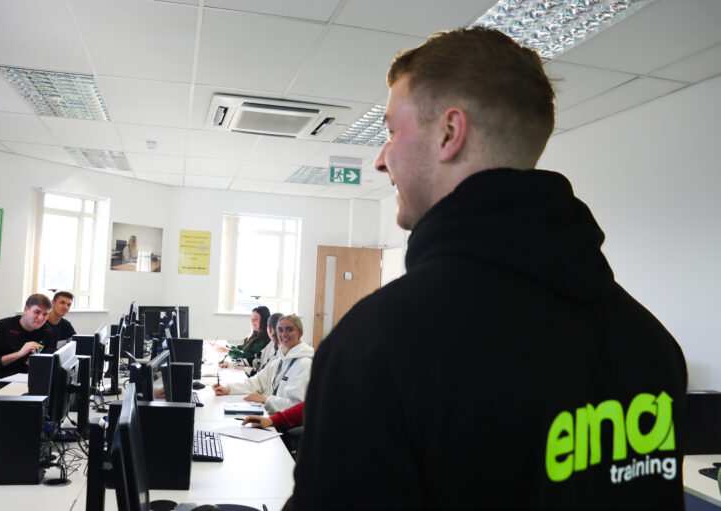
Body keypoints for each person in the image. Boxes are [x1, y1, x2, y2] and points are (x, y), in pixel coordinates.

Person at [287, 28, 687, 510]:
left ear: (450, 134)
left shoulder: (379, 346)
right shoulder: (652, 345)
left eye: (392, 130)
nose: (380, 158)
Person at [213, 315, 313, 414]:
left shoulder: (304, 364)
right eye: (280, 330)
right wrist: (228, 389)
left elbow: (296, 407)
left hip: (282, 423)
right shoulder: (279, 362)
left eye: (289, 329)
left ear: (300, 333)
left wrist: (265, 400)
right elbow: (255, 382)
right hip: (269, 414)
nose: (283, 334)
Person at [0, 293, 56, 388]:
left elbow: (49, 356)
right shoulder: (1, 328)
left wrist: (38, 362)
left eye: (45, 314)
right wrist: (19, 354)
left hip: (27, 378)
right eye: (37, 312)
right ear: (26, 310)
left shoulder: (47, 331)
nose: (41, 318)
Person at [218, 306, 271, 371]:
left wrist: (228, 352)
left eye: (255, 319)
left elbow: (247, 357)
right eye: (251, 318)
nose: (252, 321)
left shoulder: (263, 340)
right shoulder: (255, 335)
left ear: (264, 320)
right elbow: (242, 348)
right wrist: (227, 349)